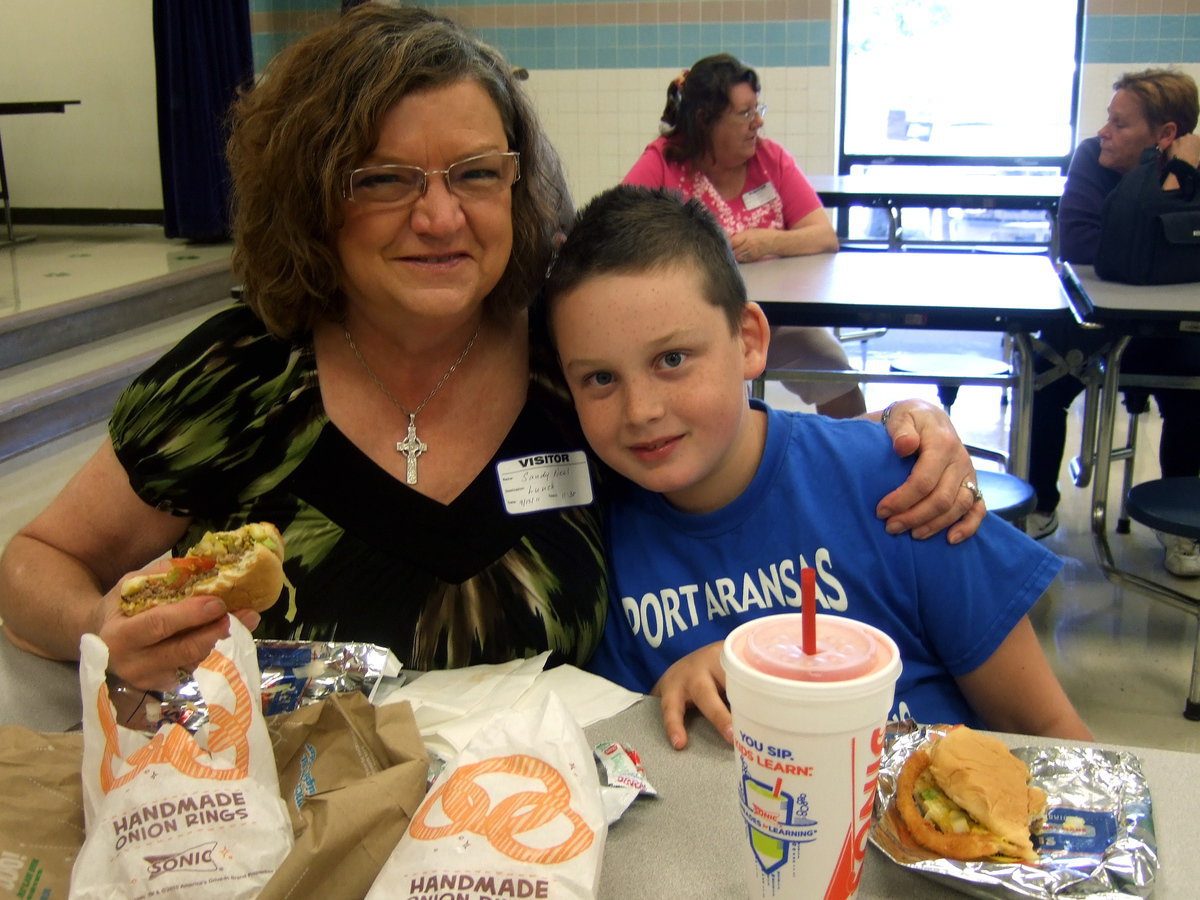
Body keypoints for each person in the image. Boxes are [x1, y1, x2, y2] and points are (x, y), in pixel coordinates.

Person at [0, 6, 978, 693]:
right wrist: (99, 628)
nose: (439, 216)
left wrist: (902, 433)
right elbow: (36, 562)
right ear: (313, 193)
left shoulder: (574, 353)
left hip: (550, 837)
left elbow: (746, 444)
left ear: (518, 185)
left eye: (475, 172)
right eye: (385, 177)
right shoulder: (242, 376)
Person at [543, 185, 1093, 748]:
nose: (642, 411)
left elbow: (1052, 732)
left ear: (751, 342)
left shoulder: (904, 487)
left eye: (673, 359)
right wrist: (658, 702)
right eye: (601, 379)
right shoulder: (587, 536)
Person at [621, 54, 866, 420]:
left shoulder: (771, 159)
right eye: (745, 113)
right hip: (696, 322)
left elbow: (823, 236)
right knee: (721, 390)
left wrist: (768, 242)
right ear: (706, 120)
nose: (758, 122)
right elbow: (619, 234)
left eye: (757, 108)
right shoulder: (664, 161)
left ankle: (855, 463)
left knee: (833, 367)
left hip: (777, 320)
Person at [1029, 68, 1200, 577]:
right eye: (1108, 120)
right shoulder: (1091, 158)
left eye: (1119, 124)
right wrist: (1166, 219)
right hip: (1089, 316)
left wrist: (1173, 183)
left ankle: (1181, 526)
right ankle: (1039, 505)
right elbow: (1083, 245)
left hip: (1169, 325)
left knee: (1193, 389)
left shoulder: (1195, 168)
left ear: (1165, 135)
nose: (1104, 132)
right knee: (1044, 378)